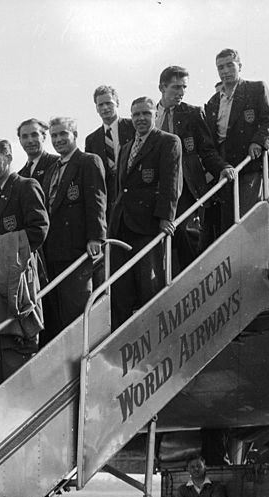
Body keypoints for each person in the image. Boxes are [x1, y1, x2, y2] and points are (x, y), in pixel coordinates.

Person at [0, 138, 49, 385]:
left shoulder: (25, 186)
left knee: (17, 345)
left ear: (8, 157)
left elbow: (38, 229)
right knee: (0, 352)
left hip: (19, 280)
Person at [107, 97, 182, 327]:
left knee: (149, 283)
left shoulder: (167, 141)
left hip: (147, 224)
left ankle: (153, 331)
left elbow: (171, 182)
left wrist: (166, 218)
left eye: (146, 113)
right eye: (136, 114)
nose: (140, 118)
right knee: (120, 287)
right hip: (121, 225)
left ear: (155, 115)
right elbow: (121, 189)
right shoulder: (126, 148)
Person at [155, 66, 227, 271]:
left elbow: (207, 150)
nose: (181, 92)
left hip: (186, 186)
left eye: (184, 87)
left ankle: (192, 278)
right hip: (156, 187)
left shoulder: (193, 114)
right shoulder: (148, 115)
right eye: (176, 87)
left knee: (185, 232)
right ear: (162, 87)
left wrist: (222, 167)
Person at [41, 117, 107, 337]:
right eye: (54, 135)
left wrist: (96, 237)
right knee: (60, 313)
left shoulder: (88, 161)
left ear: (75, 135)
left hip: (78, 248)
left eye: (63, 134)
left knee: (77, 307)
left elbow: (96, 201)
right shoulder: (52, 170)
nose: (58, 139)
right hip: (55, 250)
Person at [203, 48, 269, 239]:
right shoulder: (212, 102)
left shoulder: (256, 89)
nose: (225, 71)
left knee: (247, 214)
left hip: (249, 161)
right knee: (227, 219)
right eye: (220, 67)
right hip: (224, 164)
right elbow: (210, 139)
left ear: (240, 66)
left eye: (230, 65)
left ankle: (251, 250)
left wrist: (258, 142)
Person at [84, 85, 135, 205]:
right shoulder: (92, 140)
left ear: (117, 103)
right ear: (96, 108)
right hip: (108, 197)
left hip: (132, 190)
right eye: (100, 105)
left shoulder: (133, 127)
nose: (105, 108)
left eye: (109, 103)